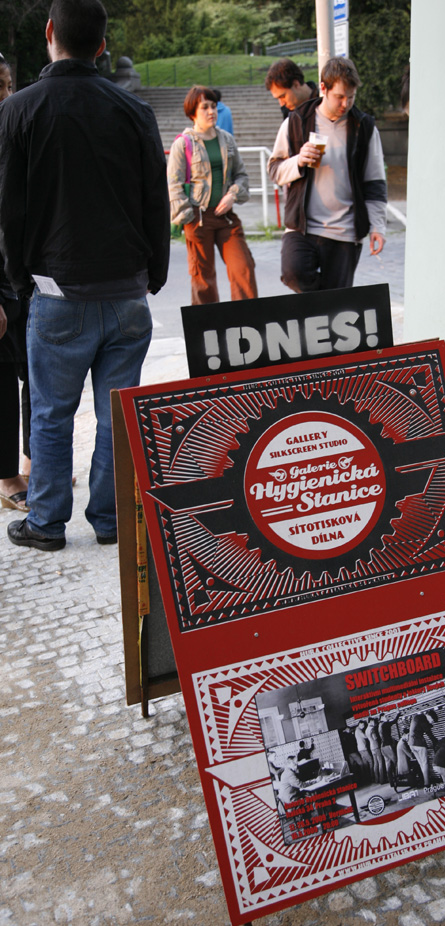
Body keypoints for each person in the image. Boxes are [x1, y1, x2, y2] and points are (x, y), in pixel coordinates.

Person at [0, 0, 170, 551]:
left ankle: (46, 523)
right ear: (102, 44)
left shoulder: (19, 110)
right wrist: (155, 274)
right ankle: (111, 518)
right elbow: (155, 200)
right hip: (127, 292)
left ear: (50, 32)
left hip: (56, 289)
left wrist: (19, 283)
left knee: (51, 415)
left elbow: (8, 210)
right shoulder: (134, 111)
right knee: (118, 417)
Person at [267, 56, 387, 293]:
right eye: (339, 97)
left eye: (351, 97)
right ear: (324, 88)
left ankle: (324, 304)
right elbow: (275, 170)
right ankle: (322, 301)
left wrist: (377, 227)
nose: (345, 104)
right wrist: (298, 161)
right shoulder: (296, 121)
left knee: (336, 302)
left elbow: (374, 182)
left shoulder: (364, 127)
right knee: (293, 274)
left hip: (345, 232)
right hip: (302, 227)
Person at [168, 86, 257, 306]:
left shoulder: (227, 140)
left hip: (226, 217)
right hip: (198, 219)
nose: (211, 112)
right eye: (205, 107)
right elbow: (173, 184)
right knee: (203, 280)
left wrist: (233, 195)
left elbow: (241, 176)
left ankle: (247, 321)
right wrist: (187, 217)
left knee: (243, 269)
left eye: (214, 106)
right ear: (192, 113)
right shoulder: (183, 144)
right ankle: (207, 324)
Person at [0, 54, 31, 512]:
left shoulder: (13, 128)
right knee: (5, 378)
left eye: (6, 85)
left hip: (25, 273)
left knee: (36, 373)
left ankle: (32, 459)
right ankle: (7, 474)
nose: (5, 94)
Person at [408, 710, 438, 788]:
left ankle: (426, 780)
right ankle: (427, 783)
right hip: (419, 744)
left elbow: (419, 728)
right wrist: (436, 742)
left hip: (411, 744)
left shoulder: (416, 716)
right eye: (432, 720)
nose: (431, 722)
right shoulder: (423, 719)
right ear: (429, 716)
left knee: (421, 764)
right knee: (425, 763)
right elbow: (429, 733)